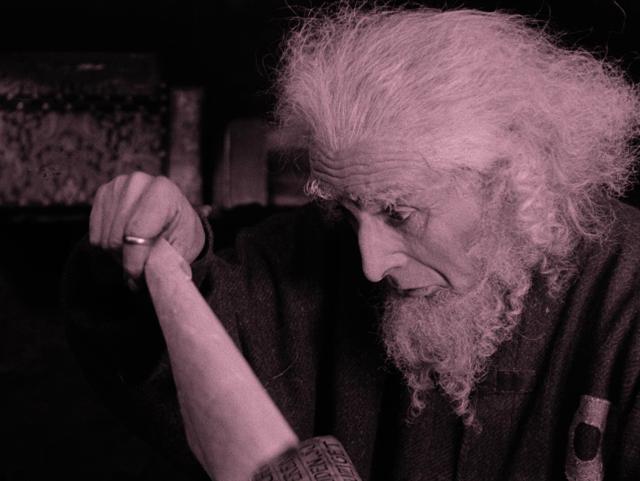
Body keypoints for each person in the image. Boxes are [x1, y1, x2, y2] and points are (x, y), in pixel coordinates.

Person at [64, 5, 640, 481]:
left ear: (515, 180)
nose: (370, 263)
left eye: (398, 213)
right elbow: (167, 378)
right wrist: (166, 263)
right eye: (347, 210)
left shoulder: (628, 294)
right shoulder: (306, 255)